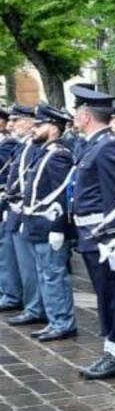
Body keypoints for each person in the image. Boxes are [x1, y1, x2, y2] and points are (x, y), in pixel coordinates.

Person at [70, 85, 115, 380]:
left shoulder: (108, 146)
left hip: (103, 236)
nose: (74, 118)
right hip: (91, 233)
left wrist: (112, 238)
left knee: (113, 295)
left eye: (77, 113)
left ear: (86, 116)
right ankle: (112, 349)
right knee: (104, 295)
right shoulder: (91, 145)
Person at [19, 104, 76, 342]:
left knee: (54, 275)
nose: (35, 128)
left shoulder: (59, 155)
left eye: (40, 124)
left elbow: (62, 194)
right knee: (45, 274)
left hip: (48, 225)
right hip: (36, 223)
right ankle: (54, 319)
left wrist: (58, 227)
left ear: (53, 128)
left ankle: (63, 322)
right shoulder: (44, 151)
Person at [4, 104, 44, 329]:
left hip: (27, 210)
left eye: (16, 120)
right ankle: (32, 305)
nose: (11, 125)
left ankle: (35, 307)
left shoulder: (38, 147)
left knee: (31, 265)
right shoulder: (25, 146)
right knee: (22, 262)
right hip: (16, 209)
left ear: (30, 122)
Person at [0, 106, 24, 313]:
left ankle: (10, 293)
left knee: (6, 251)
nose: (12, 124)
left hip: (9, 202)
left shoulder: (9, 144)